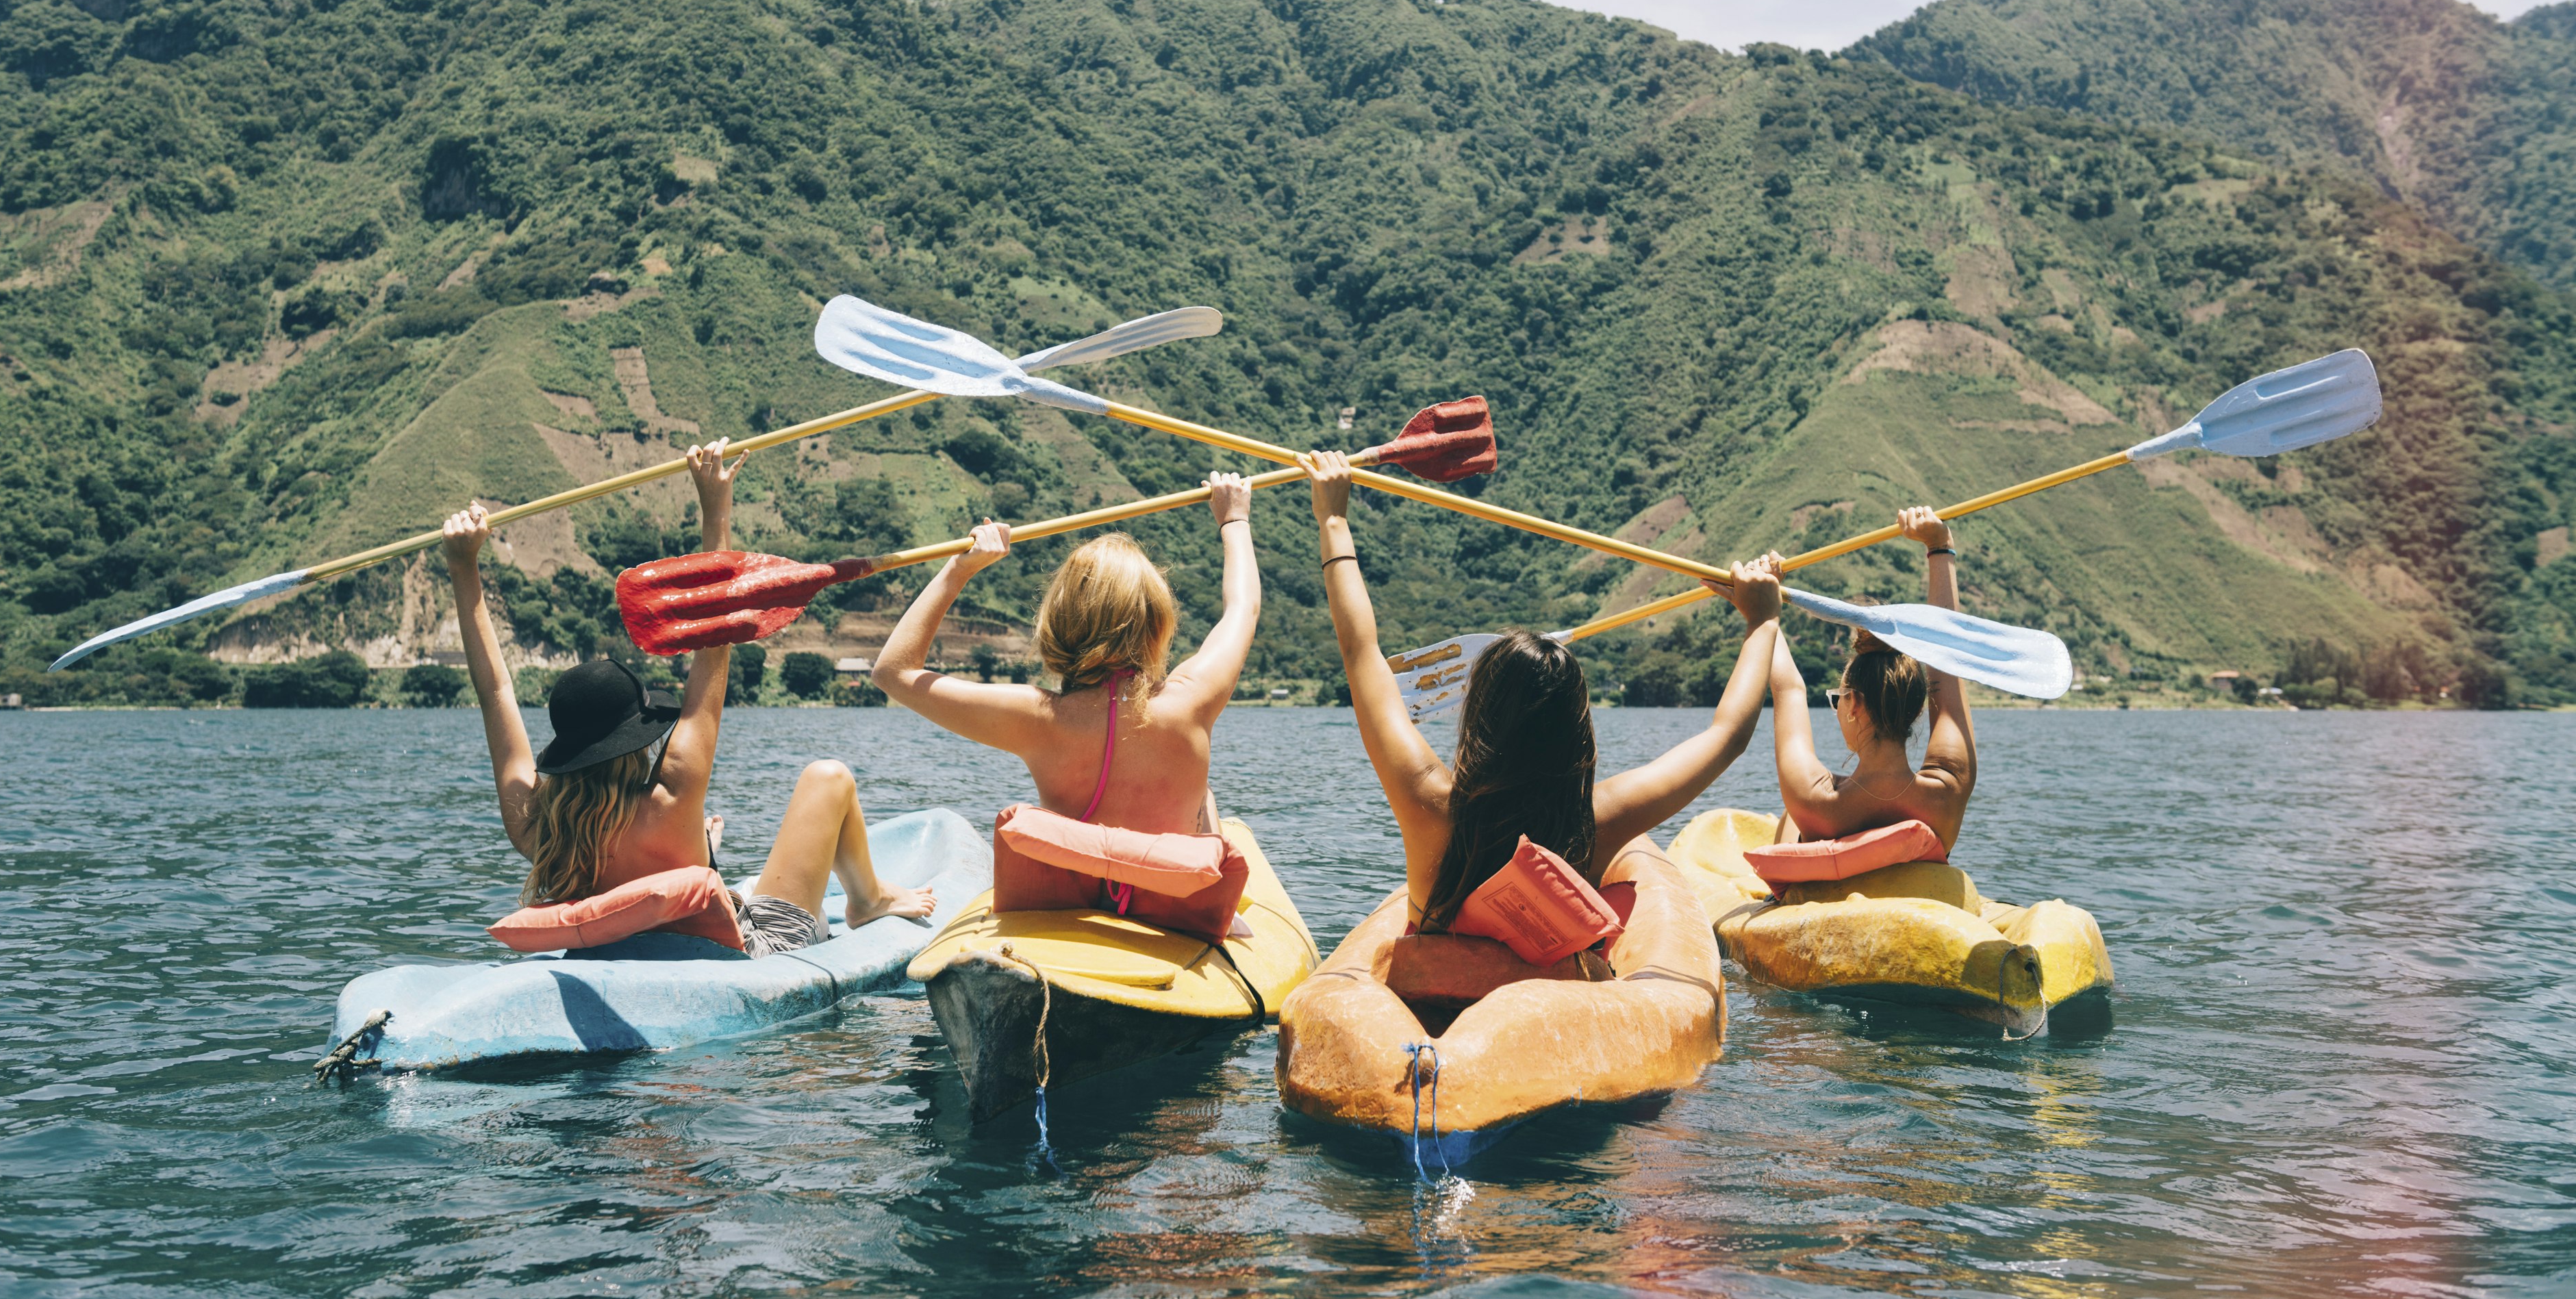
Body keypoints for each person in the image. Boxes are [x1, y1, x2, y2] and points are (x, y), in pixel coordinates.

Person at [440, 438, 933, 955]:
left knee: (712, 847)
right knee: (827, 777)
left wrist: (462, 564)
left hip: (641, 942)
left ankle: (721, 860)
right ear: (634, 739)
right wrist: (715, 506)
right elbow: (715, 628)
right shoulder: (673, 793)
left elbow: (494, 690)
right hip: (754, 949)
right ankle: (868, 899)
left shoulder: (538, 826)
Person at [1300, 451, 1789, 930]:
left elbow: (1360, 652)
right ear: (1577, 732)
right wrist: (1762, 622)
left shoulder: (1427, 800)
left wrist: (1334, 520)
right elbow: (1727, 736)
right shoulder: (1597, 822)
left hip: (1432, 1006)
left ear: (1478, 716)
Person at [872, 474, 1257, 838]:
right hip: (1173, 901)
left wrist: (960, 568)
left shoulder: (1037, 717)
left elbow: (893, 673)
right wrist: (1234, 520)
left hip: (1083, 897)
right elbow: (1243, 608)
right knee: (1203, 796)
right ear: (1157, 623)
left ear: (1059, 622)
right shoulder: (1193, 696)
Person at [1767, 505, 1978, 853]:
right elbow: (1945, 651)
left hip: (1817, 860)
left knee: (1791, 819)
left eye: (1838, 698)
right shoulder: (1950, 788)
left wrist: (1763, 608)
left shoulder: (1813, 800)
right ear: (1914, 706)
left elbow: (1789, 690)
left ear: (1856, 705)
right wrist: (1941, 546)